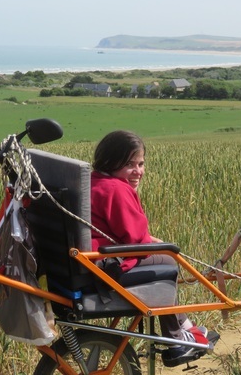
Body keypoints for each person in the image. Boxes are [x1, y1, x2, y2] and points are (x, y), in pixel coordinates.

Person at [90, 130, 218, 368]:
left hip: (92, 261)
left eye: (141, 164)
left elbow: (124, 231)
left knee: (164, 255)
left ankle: (184, 329)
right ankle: (178, 339)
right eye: (129, 164)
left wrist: (149, 240)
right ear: (111, 161)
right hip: (105, 266)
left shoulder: (95, 181)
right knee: (168, 262)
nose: (138, 171)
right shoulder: (116, 190)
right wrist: (152, 242)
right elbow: (136, 238)